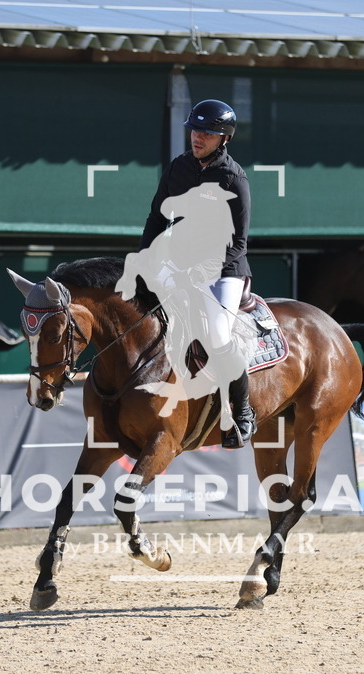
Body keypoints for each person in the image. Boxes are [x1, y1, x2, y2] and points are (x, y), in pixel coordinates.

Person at [138, 99, 256, 449]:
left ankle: (243, 411)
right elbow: (157, 220)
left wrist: (200, 273)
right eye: (194, 130)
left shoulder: (234, 178)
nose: (197, 137)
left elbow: (238, 242)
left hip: (225, 271)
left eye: (207, 132)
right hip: (182, 265)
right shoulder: (178, 169)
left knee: (218, 335)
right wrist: (146, 259)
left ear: (224, 139)